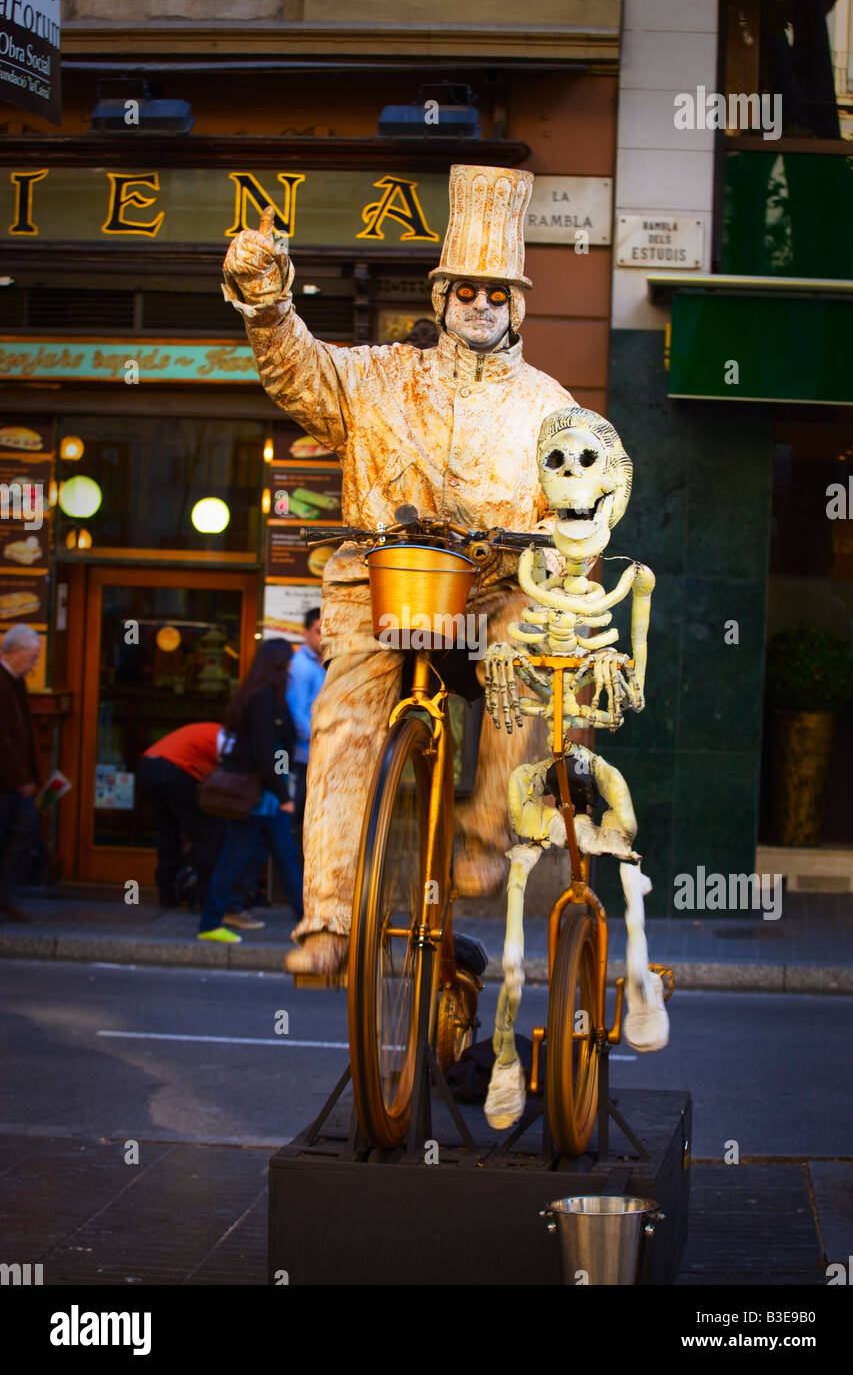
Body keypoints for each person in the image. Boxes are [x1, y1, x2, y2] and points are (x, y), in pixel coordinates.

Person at [222, 163, 573, 974]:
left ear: (516, 304)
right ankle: (330, 919)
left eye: (496, 293)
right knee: (343, 719)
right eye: (466, 291)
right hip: (383, 591)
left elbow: (584, 493)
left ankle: (485, 833)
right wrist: (269, 303)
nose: (480, 305)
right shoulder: (380, 374)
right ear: (440, 296)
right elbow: (300, 374)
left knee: (533, 650)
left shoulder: (550, 404)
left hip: (494, 597)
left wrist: (556, 546)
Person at [198, 638, 304, 942]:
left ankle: (304, 922)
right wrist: (283, 796)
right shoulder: (263, 699)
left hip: (266, 794)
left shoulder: (267, 695)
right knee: (248, 856)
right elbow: (262, 752)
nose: (292, 666)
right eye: (289, 660)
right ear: (279, 663)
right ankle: (210, 923)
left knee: (282, 855)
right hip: (259, 795)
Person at [138, 722, 225, 909]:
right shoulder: (227, 739)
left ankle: (167, 894)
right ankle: (204, 897)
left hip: (148, 765)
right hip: (173, 770)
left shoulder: (211, 732)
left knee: (167, 830)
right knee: (205, 834)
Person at [0, 624, 43, 921]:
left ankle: (5, 897)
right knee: (19, 832)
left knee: (20, 832)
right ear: (14, 652)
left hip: (14, 779)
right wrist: (22, 778)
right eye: (32, 656)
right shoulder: (4, 683)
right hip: (7, 781)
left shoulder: (14, 682)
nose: (35, 664)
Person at [285, 608, 325, 845]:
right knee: (295, 824)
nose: (323, 637)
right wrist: (324, 739)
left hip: (313, 757)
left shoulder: (321, 664)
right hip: (300, 759)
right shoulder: (301, 666)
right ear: (305, 633)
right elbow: (295, 717)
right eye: (319, 631)